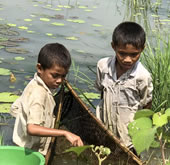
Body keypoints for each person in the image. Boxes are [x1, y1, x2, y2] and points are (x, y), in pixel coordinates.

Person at [10, 43, 83, 155]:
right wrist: (64, 133)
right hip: (28, 152)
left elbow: (15, 107)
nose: (59, 81)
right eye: (55, 75)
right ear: (40, 68)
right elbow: (32, 129)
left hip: (29, 147)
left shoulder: (36, 85)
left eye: (63, 76)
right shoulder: (38, 94)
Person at [95, 21, 153, 150]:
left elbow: (146, 105)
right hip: (105, 128)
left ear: (142, 49)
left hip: (129, 137)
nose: (128, 59)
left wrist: (143, 134)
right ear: (113, 47)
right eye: (122, 53)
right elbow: (102, 92)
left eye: (134, 54)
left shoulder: (142, 76)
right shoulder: (103, 66)